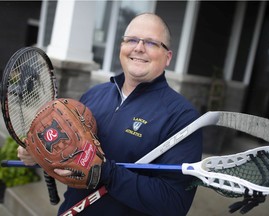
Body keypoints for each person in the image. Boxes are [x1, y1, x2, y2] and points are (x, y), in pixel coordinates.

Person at [18, 12, 203, 216]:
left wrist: (107, 173)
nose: (138, 47)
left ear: (167, 57)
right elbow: (68, 159)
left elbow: (174, 204)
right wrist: (40, 154)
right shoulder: (93, 95)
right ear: (121, 47)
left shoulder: (182, 117)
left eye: (151, 43)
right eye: (131, 39)